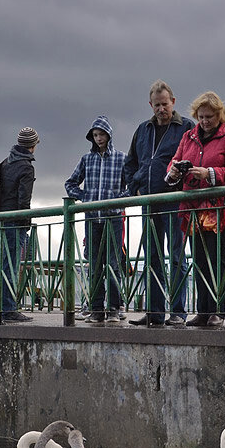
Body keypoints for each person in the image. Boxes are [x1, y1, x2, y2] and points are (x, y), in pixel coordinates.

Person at [168, 91, 225, 328]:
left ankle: (217, 312)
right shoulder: (188, 137)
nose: (204, 121)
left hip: (218, 210)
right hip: (192, 209)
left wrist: (208, 173)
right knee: (199, 259)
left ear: (219, 115)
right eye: (200, 116)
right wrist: (174, 171)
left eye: (209, 116)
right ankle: (203, 311)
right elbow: (175, 159)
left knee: (217, 259)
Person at [124, 81, 195, 327]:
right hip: (149, 200)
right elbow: (131, 162)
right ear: (150, 105)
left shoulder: (186, 127)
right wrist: (135, 186)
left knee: (177, 255)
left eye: (165, 104)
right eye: (157, 105)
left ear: (173, 102)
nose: (161, 109)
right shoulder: (143, 129)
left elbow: (194, 159)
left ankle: (178, 312)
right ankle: (154, 313)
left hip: (175, 200)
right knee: (152, 255)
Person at [65, 115, 129, 323]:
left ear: (109, 135)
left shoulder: (121, 158)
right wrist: (86, 197)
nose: (98, 138)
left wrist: (117, 200)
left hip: (114, 218)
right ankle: (96, 309)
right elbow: (71, 183)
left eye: (101, 134)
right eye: (95, 135)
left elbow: (131, 186)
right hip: (92, 218)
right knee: (94, 265)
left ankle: (113, 308)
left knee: (113, 264)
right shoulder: (87, 159)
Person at [0, 127, 38, 323]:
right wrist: (26, 224)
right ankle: (9, 310)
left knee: (4, 263)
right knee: (11, 265)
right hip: (14, 221)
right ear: (34, 145)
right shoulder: (26, 167)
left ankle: (3, 307)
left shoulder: (6, 163)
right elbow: (24, 201)